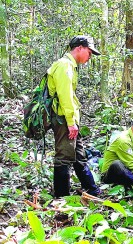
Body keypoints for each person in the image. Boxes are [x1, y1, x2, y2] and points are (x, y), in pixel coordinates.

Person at [47, 35, 101, 198]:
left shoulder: (69, 66)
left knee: (79, 155)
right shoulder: (64, 66)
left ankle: (92, 189)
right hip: (63, 118)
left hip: (68, 118)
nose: (89, 57)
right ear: (79, 48)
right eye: (89, 52)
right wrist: (71, 122)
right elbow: (65, 96)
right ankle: (61, 198)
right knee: (64, 157)